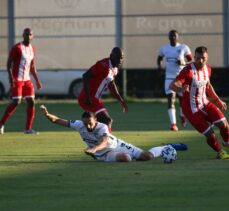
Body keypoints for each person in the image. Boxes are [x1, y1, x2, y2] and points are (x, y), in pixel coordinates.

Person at [40, 104, 179, 162]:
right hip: (105, 154)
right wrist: (47, 114)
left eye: (90, 123)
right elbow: (58, 121)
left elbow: (105, 141)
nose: (88, 126)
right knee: (126, 159)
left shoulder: (102, 127)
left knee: (147, 156)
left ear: (96, 120)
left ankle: (166, 147)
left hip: (117, 144)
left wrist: (93, 149)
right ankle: (132, 157)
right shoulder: (79, 125)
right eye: (85, 123)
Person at [169, 46, 229, 159]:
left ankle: (226, 142)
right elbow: (172, 85)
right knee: (210, 135)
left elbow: (208, 86)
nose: (200, 61)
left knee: (225, 125)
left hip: (205, 104)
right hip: (192, 109)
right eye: (197, 58)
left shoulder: (208, 69)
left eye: (203, 58)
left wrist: (218, 100)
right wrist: (180, 89)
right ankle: (220, 152)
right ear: (194, 57)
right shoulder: (188, 71)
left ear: (207, 57)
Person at [0, 28, 42, 135]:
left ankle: (28, 129)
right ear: (23, 35)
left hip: (27, 80)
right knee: (16, 102)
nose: (28, 36)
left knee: (32, 101)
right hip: (17, 79)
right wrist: (11, 77)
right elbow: (9, 63)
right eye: (26, 34)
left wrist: (37, 80)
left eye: (30, 34)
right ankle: (1, 124)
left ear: (33, 36)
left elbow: (32, 66)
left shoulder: (32, 48)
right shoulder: (17, 48)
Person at [78, 47, 128, 132]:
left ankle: (95, 140)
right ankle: (108, 143)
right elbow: (85, 76)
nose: (119, 61)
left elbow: (111, 85)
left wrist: (120, 100)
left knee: (99, 124)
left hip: (94, 98)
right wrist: (88, 96)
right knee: (107, 120)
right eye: (117, 58)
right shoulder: (103, 65)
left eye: (121, 58)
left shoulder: (114, 69)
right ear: (111, 56)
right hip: (88, 97)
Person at [157, 30, 192, 131]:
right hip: (169, 77)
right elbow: (159, 58)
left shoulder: (183, 47)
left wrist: (183, 62)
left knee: (182, 100)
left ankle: (182, 115)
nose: (173, 37)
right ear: (168, 37)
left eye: (174, 36)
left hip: (181, 78)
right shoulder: (164, 48)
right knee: (170, 99)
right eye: (171, 36)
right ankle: (173, 124)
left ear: (178, 37)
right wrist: (159, 67)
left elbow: (191, 60)